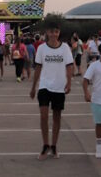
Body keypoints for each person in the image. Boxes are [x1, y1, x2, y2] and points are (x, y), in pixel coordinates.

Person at [30, 19, 74, 160]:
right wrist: (33, 87)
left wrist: (69, 82)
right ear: (46, 33)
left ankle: (54, 146)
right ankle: (45, 145)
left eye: (56, 31)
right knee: (43, 116)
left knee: (57, 117)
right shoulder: (42, 48)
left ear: (59, 32)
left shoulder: (65, 48)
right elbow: (38, 67)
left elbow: (69, 66)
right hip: (44, 86)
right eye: (51, 31)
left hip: (59, 87)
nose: (53, 34)